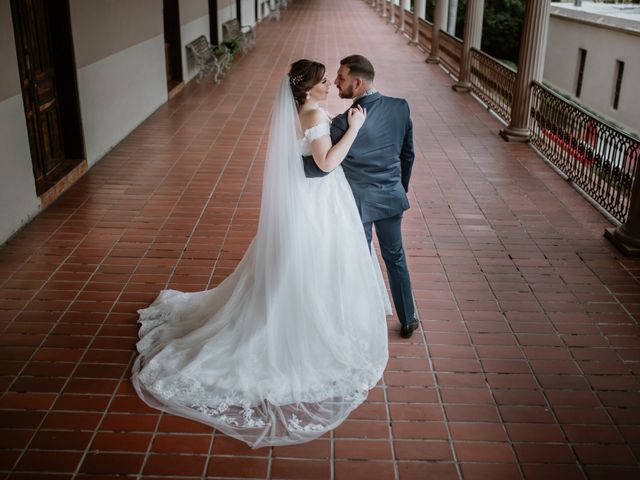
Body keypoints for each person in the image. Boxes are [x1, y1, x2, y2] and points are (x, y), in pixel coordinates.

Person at [131, 59, 390, 449]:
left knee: (303, 264)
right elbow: (326, 161)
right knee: (311, 264)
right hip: (318, 202)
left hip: (313, 198)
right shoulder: (312, 111)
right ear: (307, 88)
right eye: (323, 81)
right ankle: (303, 328)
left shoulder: (303, 109)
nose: (328, 86)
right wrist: (353, 129)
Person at [303, 55, 418, 338]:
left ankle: (363, 321)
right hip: (391, 196)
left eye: (340, 78)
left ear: (357, 82)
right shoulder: (399, 107)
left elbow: (323, 166)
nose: (336, 82)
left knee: (361, 260)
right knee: (396, 257)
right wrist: (398, 188)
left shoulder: (343, 124)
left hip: (358, 203)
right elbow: (408, 155)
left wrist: (294, 164)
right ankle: (408, 318)